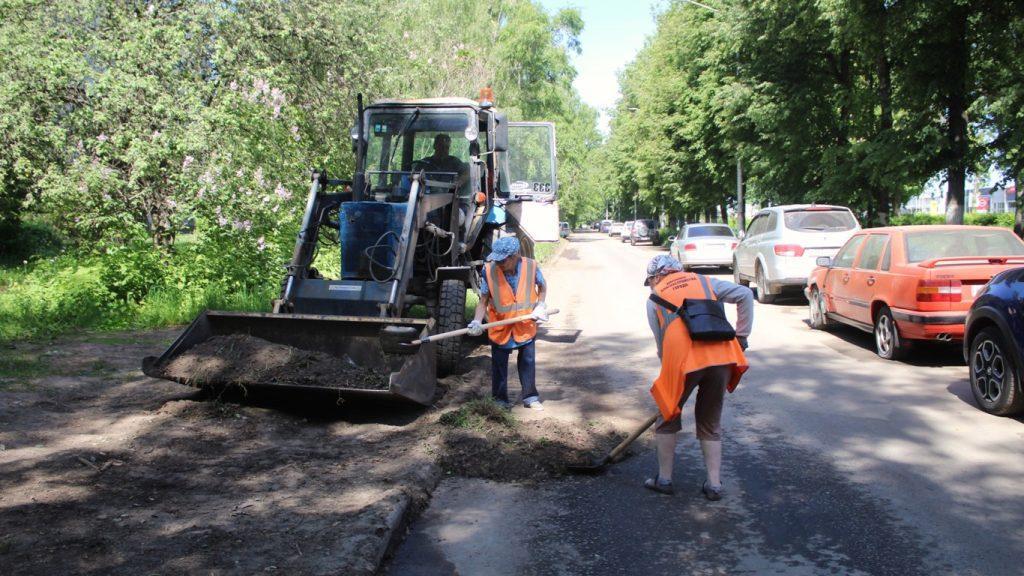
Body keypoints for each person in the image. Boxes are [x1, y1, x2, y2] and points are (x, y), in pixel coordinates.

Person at [643, 255, 752, 500]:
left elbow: (662, 348)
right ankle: (714, 485)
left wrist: (671, 388)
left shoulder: (654, 299)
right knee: (710, 420)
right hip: (723, 355)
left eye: (650, 280)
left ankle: (664, 480)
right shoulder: (705, 282)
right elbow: (745, 295)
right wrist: (742, 337)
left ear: (658, 276)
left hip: (683, 362)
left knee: (667, 417)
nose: (651, 285)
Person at [468, 236, 548, 410]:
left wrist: (540, 306)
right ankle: (499, 401)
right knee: (498, 366)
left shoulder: (531, 266)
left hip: (525, 324)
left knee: (527, 362)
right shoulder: (489, 270)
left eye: (503, 260)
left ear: (515, 255)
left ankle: (530, 397)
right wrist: (476, 320)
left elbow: (542, 287)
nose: (499, 264)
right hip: (500, 326)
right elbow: (483, 301)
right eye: (497, 260)